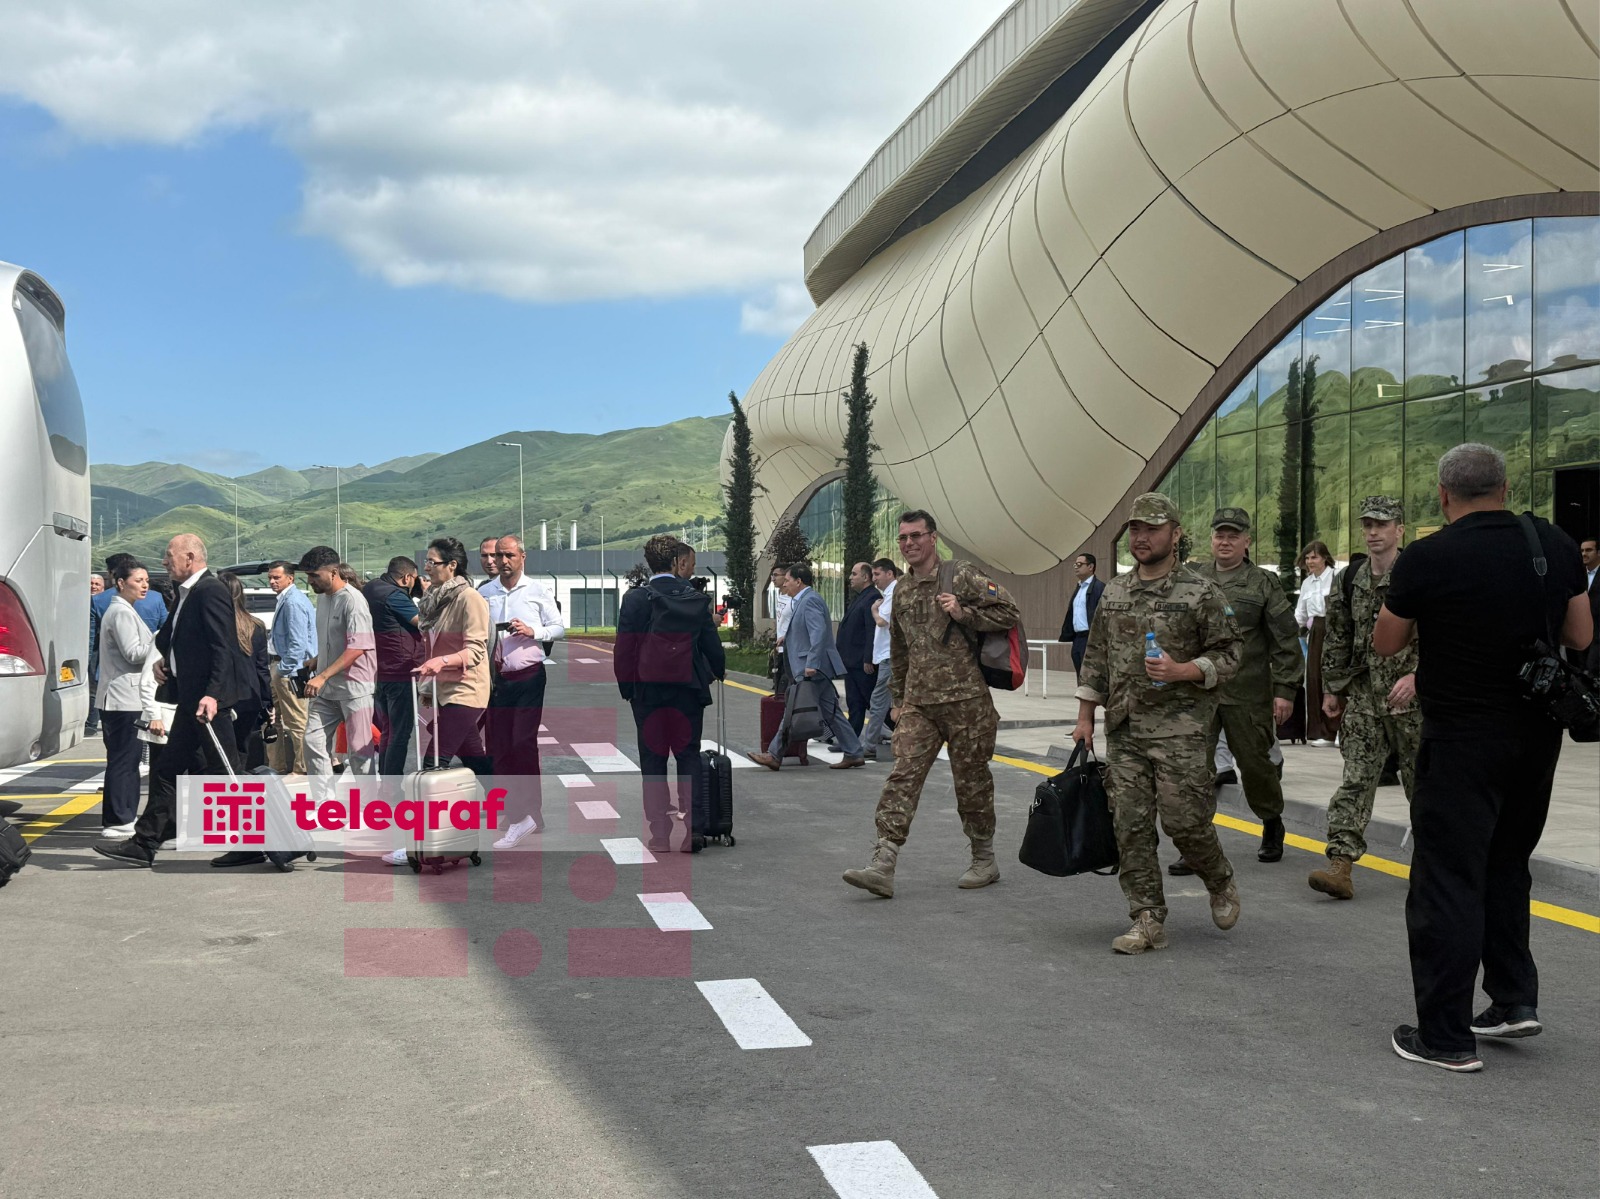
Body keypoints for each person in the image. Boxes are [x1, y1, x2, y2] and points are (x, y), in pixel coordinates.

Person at [1372, 446, 1591, 1072]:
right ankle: (1513, 999)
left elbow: (1387, 642)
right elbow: (1580, 635)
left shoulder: (1429, 556)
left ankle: (1444, 1037)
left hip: (1461, 740)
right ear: (1505, 487)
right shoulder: (1551, 542)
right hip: (1536, 737)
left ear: (1444, 495)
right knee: (1506, 866)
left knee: (1447, 880)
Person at [1070, 493, 1243, 954]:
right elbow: (1096, 658)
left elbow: (1231, 653)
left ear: (1175, 534)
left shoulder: (1200, 592)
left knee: (1185, 822)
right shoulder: (1115, 592)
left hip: (1181, 729)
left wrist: (1184, 670)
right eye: (1136, 529)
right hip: (1125, 728)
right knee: (1130, 825)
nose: (1142, 537)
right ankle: (1146, 917)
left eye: (1152, 528)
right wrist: (1085, 717)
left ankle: (1219, 879)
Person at [841, 510, 1021, 897]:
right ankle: (883, 863)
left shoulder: (961, 575)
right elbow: (900, 648)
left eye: (916, 536)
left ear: (933, 537)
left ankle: (984, 859)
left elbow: (1009, 612)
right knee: (902, 777)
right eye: (903, 537)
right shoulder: (902, 589)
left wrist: (964, 613)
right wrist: (898, 699)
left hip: (966, 702)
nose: (909, 543)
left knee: (971, 784)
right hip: (920, 704)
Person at [93, 535, 255, 867]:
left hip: (208, 704)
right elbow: (172, 635)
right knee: (166, 769)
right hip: (189, 700)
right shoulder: (186, 593)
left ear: (190, 558)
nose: (164, 562)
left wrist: (213, 694)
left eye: (169, 556)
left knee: (226, 773)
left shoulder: (210, 591)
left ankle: (254, 842)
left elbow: (223, 647)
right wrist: (164, 660)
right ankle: (144, 843)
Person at [1308, 498, 1420, 903]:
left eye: (1382, 525)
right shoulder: (1349, 577)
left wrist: (1419, 676)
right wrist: (1332, 688)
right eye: (1368, 525)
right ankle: (1340, 863)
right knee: (1355, 779)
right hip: (1364, 697)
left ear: (1399, 530)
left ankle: (1431, 862)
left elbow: (1445, 632)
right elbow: (1337, 634)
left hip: (1411, 702)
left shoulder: (1417, 574)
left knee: (1422, 784)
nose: (1373, 532)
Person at [1179, 508, 1301, 869]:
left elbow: (1285, 638)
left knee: (1255, 765)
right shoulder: (1193, 578)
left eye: (1233, 536)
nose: (1225, 542)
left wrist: (1285, 690)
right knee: (1194, 769)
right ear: (1211, 539)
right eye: (1220, 535)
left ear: (1247, 541)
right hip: (1200, 691)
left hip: (1248, 693)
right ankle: (1196, 844)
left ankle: (1271, 822)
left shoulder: (1262, 583)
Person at [381, 537, 492, 866]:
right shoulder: (435, 599)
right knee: (476, 760)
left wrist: (440, 663)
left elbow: (476, 650)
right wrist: (430, 682)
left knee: (432, 765)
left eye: (432, 562)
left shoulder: (469, 598)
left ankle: (420, 843)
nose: (425, 568)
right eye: (426, 562)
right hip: (444, 687)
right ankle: (517, 806)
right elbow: (434, 646)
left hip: (467, 689)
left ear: (451, 566)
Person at [615, 535, 726, 853]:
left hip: (647, 691)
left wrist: (628, 688)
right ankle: (694, 830)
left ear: (649, 563)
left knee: (653, 760)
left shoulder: (636, 599)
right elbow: (711, 644)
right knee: (688, 756)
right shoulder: (693, 597)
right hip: (687, 689)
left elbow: (625, 648)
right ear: (677, 561)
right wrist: (718, 670)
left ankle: (660, 834)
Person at [481, 534, 565, 848]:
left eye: (509, 555)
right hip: (496, 679)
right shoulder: (485, 592)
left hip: (528, 676)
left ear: (522, 557)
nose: (502, 561)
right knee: (499, 747)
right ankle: (515, 812)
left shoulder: (537, 590)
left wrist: (533, 631)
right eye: (498, 555)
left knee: (523, 743)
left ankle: (531, 812)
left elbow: (558, 627)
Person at [750, 563, 866, 771]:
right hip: (813, 667)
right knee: (831, 712)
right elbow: (807, 631)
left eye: (787, 580)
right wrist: (788, 638)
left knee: (793, 708)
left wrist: (812, 663)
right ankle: (854, 752)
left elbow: (818, 633)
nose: (784, 584)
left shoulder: (810, 600)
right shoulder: (804, 599)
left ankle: (774, 755)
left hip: (811, 669)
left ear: (799, 581)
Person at [297, 546, 377, 784]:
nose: (310, 581)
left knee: (359, 751)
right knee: (312, 742)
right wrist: (317, 661)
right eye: (308, 575)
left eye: (314, 575)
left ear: (333, 572)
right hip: (326, 688)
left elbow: (358, 647)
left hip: (354, 688)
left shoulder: (353, 601)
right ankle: (324, 802)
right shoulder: (322, 598)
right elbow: (332, 640)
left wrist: (322, 676)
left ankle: (369, 803)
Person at [95, 559, 157, 837]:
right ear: (121, 583)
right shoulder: (121, 612)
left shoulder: (126, 610)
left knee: (127, 759)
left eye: (146, 581)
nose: (144, 586)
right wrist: (158, 640)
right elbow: (133, 653)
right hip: (122, 696)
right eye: (138, 580)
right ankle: (119, 819)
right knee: (124, 759)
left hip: (124, 695)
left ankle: (122, 816)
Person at [363, 557, 423, 778]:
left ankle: (386, 781)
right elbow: (422, 622)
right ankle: (392, 784)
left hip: (378, 668)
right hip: (400, 669)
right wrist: (426, 595)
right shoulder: (395, 595)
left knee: (388, 729)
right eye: (414, 579)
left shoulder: (370, 589)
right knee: (400, 732)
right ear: (407, 578)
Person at [266, 560, 316, 774]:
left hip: (289, 669)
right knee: (272, 719)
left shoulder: (293, 602)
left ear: (290, 578)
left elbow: (298, 643)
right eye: (270, 577)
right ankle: (276, 766)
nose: (272, 581)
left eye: (276, 577)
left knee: (296, 721)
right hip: (281, 665)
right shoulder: (286, 599)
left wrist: (283, 670)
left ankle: (302, 768)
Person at [221, 573, 272, 766]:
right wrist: (267, 703)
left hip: (222, 696)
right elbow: (262, 668)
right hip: (250, 696)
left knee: (220, 753)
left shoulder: (216, 625)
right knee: (243, 748)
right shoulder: (256, 626)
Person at [1295, 540, 1339, 744]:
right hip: (1316, 631)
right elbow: (1301, 614)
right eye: (1307, 558)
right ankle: (1320, 731)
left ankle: (1338, 730)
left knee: (1335, 676)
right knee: (1314, 678)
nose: (1310, 561)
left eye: (1314, 557)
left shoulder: (1336, 577)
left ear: (1325, 558)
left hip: (1335, 628)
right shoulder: (1307, 583)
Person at [859, 557, 901, 760]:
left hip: (890, 656)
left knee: (878, 700)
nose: (874, 579)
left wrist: (874, 610)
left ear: (889, 573)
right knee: (892, 701)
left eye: (877, 574)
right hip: (890, 655)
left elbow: (882, 621)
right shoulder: (890, 593)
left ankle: (869, 745)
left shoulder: (893, 593)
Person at [836, 561, 882, 737]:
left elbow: (871, 630)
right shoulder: (861, 596)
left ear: (865, 577)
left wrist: (868, 658)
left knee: (873, 703)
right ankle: (850, 740)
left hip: (862, 662)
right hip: (851, 661)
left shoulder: (872, 597)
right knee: (855, 703)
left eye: (854, 574)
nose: (850, 578)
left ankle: (902, 734)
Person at [1057, 552, 1104, 676]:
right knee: (1080, 675)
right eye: (1075, 565)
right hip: (1077, 638)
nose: (1076, 567)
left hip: (1091, 638)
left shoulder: (1099, 588)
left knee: (1091, 676)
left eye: (1080, 564)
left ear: (1090, 567)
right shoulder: (1079, 587)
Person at [1574, 536, 1598, 674]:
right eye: (1582, 550)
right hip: (1581, 631)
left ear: (1598, 553)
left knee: (1592, 669)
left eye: (1588, 550)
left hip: (1598, 631)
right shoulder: (1577, 574)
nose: (1584, 554)